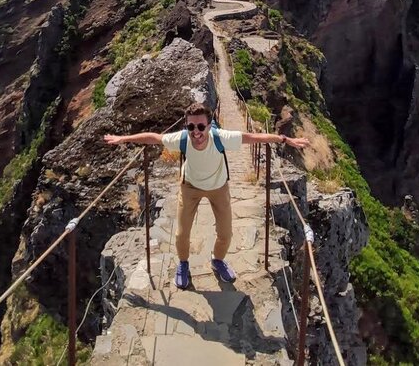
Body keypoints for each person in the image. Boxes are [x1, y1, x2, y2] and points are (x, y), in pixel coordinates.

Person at [103, 102, 310, 288]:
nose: (196, 132)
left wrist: (285, 139)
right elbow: (154, 138)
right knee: (181, 233)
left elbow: (252, 137)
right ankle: (183, 265)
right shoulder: (182, 138)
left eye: (201, 126)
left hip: (218, 187)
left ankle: (217, 260)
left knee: (226, 233)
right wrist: (124, 138)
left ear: (209, 126)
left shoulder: (220, 138)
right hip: (190, 186)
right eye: (191, 126)